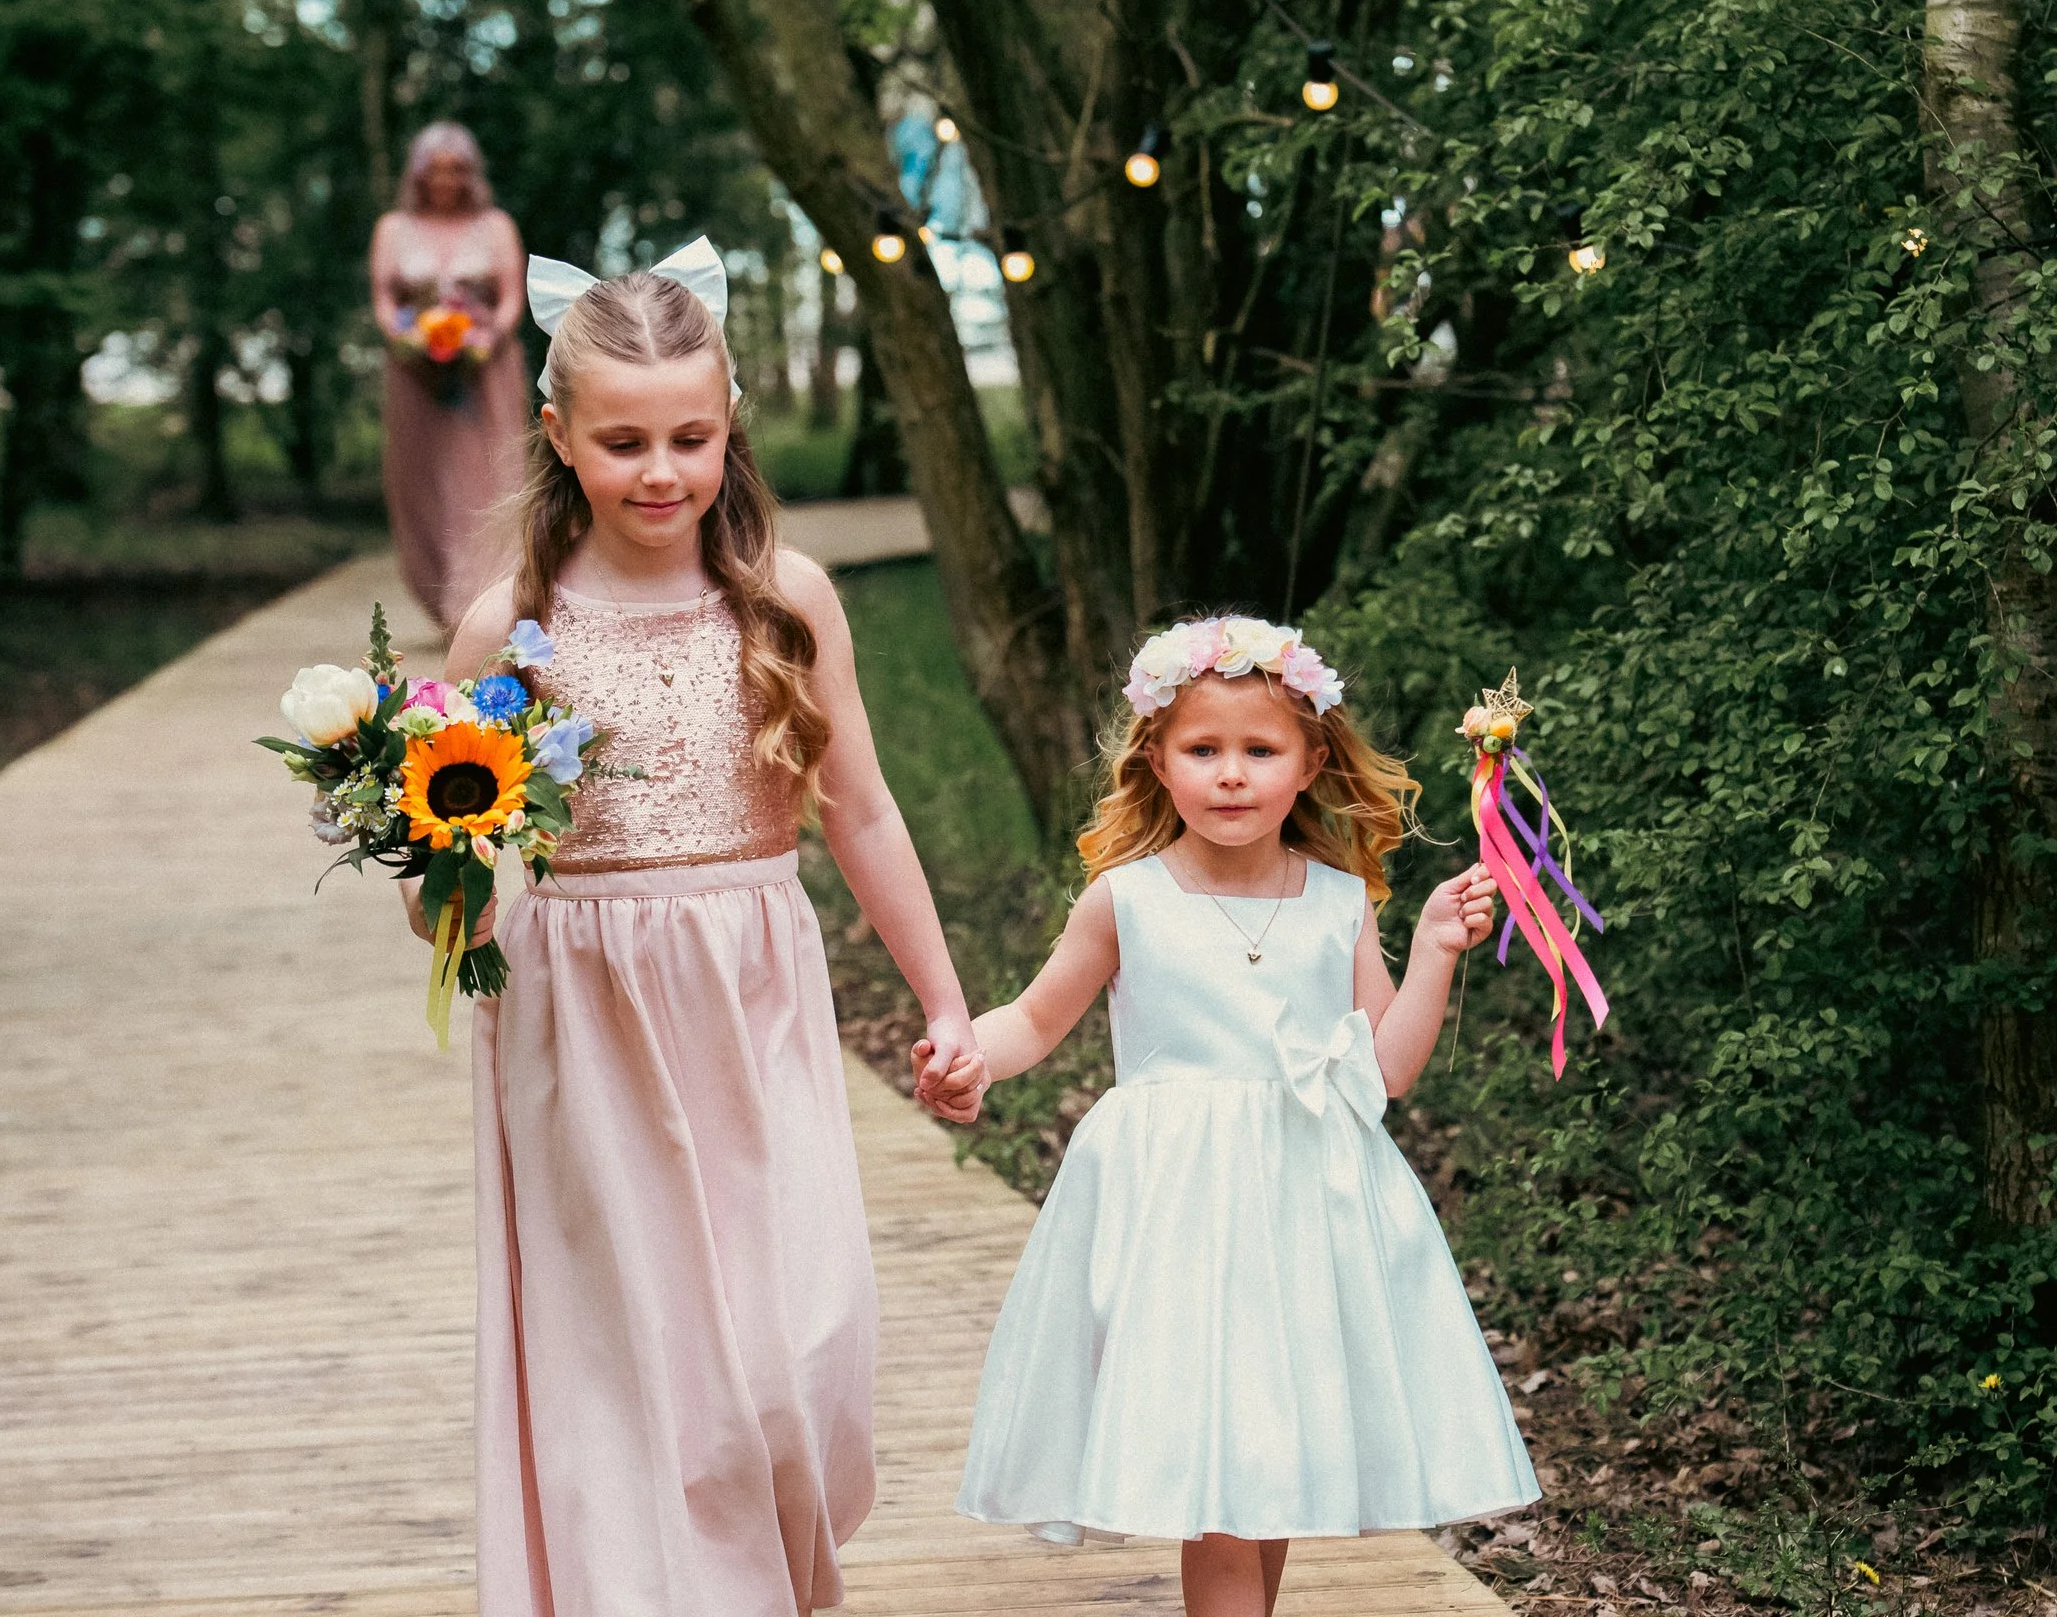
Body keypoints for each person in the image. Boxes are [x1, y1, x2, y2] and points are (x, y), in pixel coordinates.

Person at [407, 236, 978, 1615]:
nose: (659, 471)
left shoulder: (784, 599)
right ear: (558, 434)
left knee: (799, 1340)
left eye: (689, 438)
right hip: (583, 1015)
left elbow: (862, 811)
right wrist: (429, 857)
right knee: (634, 1351)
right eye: (623, 443)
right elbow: (445, 887)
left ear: (730, 425)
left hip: (753, 993)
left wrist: (947, 1000)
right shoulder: (511, 626)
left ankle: (768, 1557)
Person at [913, 616, 1542, 1617]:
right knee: (1218, 1476)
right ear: (1157, 762)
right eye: (1204, 750)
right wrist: (969, 1055)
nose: (1233, 774)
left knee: (1263, 1459)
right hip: (1178, 1213)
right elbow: (1033, 1017)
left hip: (1304, 1207)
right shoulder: (1126, 900)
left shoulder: (1338, 901)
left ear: (1310, 764)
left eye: (1261, 750)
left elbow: (1384, 1069)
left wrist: (1431, 947)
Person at [369, 121, 528, 629]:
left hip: (487, 371)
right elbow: (384, 300)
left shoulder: (496, 226)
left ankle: (481, 598)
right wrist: (406, 339)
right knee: (420, 480)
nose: (445, 179)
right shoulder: (393, 228)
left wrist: (488, 339)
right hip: (414, 374)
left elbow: (511, 298)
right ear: (418, 173)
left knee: (489, 477)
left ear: (470, 172)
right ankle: (439, 592)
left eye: (456, 168)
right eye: (435, 169)